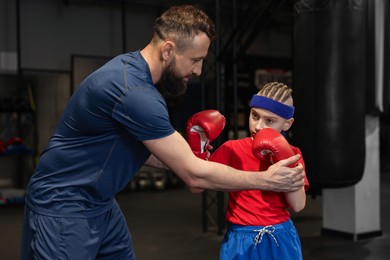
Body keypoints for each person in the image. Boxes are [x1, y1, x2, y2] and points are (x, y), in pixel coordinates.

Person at [20, 5, 304, 260]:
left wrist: (194, 151)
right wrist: (266, 179)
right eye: (195, 60)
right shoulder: (133, 92)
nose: (198, 70)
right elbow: (192, 174)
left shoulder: (134, 76)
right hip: (64, 205)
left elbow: (152, 153)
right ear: (168, 50)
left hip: (100, 202)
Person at [207, 82, 309, 259]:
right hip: (241, 237)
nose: (259, 126)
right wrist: (197, 149)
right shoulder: (232, 148)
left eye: (269, 121)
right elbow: (196, 185)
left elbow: (298, 205)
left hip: (281, 236)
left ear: (287, 124)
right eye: (255, 116)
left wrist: (285, 158)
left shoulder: (293, 155)